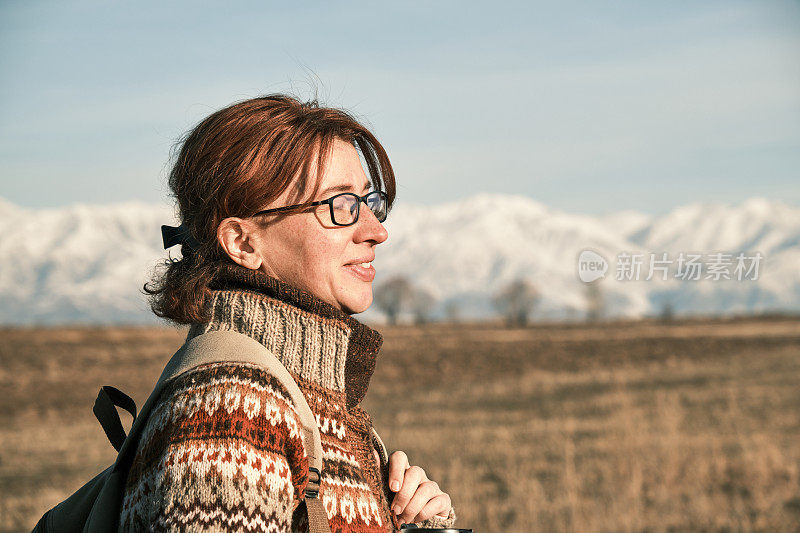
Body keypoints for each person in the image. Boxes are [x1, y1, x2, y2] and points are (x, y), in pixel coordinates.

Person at [118, 94, 456, 532]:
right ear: (243, 243)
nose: (376, 230)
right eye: (340, 206)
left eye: (367, 202)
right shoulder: (230, 412)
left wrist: (426, 526)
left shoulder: (298, 394)